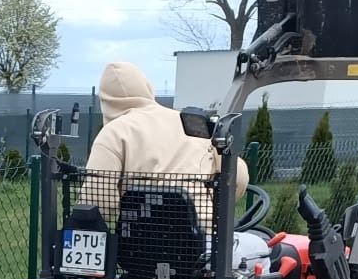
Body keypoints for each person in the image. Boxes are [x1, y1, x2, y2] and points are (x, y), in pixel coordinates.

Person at [83, 60, 248, 232]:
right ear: (147, 87)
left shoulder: (113, 133)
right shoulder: (190, 122)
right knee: (268, 250)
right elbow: (239, 176)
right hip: (204, 236)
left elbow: (97, 203)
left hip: (140, 243)